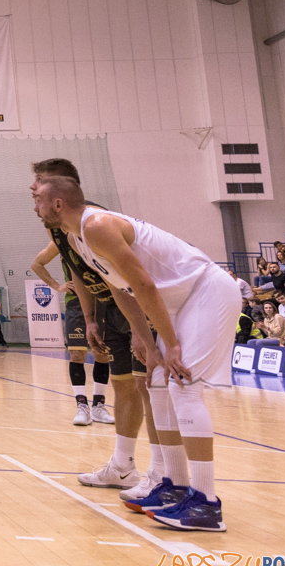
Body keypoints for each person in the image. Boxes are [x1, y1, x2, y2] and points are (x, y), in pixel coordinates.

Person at [32, 173, 240, 532]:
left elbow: (143, 283)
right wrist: (146, 341)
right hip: (180, 304)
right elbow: (121, 290)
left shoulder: (96, 225)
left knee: (183, 385)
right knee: (157, 383)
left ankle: (206, 503)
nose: (34, 207)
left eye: (38, 199)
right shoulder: (76, 238)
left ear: (58, 204)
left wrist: (172, 344)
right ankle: (174, 487)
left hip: (207, 292)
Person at [30, 158, 157, 496]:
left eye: (39, 181)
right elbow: (78, 271)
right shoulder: (58, 229)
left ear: (60, 189)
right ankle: (122, 466)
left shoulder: (94, 221)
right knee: (123, 386)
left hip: (136, 303)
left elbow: (127, 279)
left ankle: (161, 474)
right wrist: (89, 319)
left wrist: (139, 330)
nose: (32, 188)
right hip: (109, 306)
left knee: (149, 388)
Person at [32, 232, 113, 426]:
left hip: (102, 301)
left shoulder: (96, 235)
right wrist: (57, 286)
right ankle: (81, 406)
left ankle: (98, 406)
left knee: (102, 353)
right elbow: (37, 264)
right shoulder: (59, 241)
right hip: (76, 303)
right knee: (77, 354)